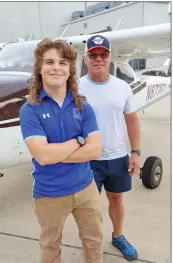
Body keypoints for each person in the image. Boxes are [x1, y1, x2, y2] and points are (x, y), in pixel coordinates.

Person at [19, 38, 103, 263]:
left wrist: (56, 151)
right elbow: (43, 156)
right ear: (39, 68)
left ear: (69, 71)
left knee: (94, 241)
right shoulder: (30, 110)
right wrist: (78, 140)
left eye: (63, 62)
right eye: (49, 62)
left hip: (86, 189)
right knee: (50, 247)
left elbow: (95, 150)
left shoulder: (83, 107)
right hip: (49, 194)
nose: (56, 67)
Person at [78, 35, 141, 261]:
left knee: (116, 199)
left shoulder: (122, 87)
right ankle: (91, 242)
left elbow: (132, 120)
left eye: (103, 55)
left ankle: (118, 236)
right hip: (87, 159)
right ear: (85, 59)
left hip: (117, 157)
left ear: (110, 57)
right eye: (93, 55)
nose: (98, 59)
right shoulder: (75, 88)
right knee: (88, 207)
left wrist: (135, 152)